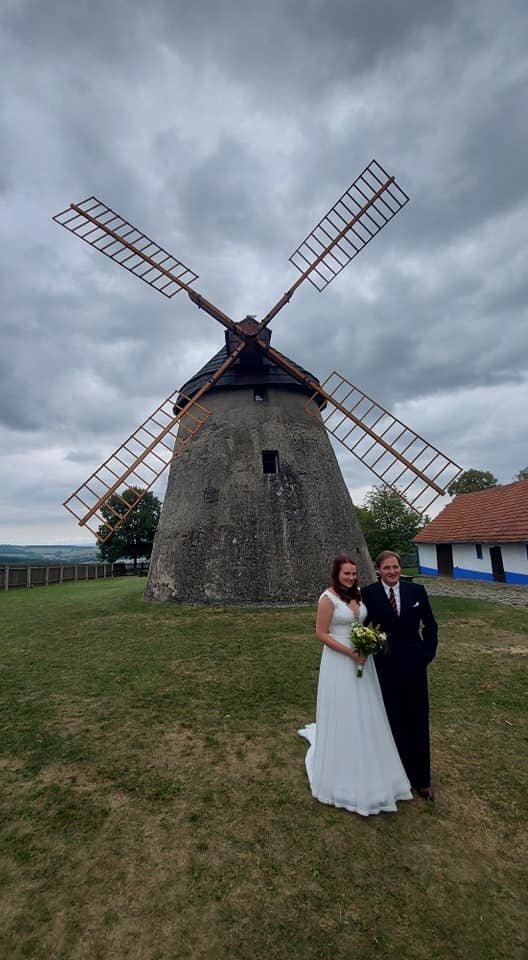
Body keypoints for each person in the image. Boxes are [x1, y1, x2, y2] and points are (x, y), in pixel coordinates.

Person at [298, 554, 412, 816]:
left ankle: (371, 758)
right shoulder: (327, 599)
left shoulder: (358, 595)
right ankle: (343, 768)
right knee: (345, 710)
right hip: (340, 661)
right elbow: (321, 633)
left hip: (363, 659)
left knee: (367, 709)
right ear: (336, 574)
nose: (350, 577)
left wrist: (369, 641)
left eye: (353, 573)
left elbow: (365, 621)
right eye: (345, 574)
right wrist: (349, 652)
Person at [361, 550, 438, 802]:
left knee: (417, 718)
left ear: (399, 568)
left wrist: (426, 654)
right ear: (378, 570)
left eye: (395, 567)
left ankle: (422, 779)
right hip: (387, 666)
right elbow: (362, 626)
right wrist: (368, 647)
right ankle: (398, 773)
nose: (391, 572)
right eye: (386, 568)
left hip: (415, 666)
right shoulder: (370, 594)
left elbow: (430, 625)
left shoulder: (416, 592)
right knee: (394, 720)